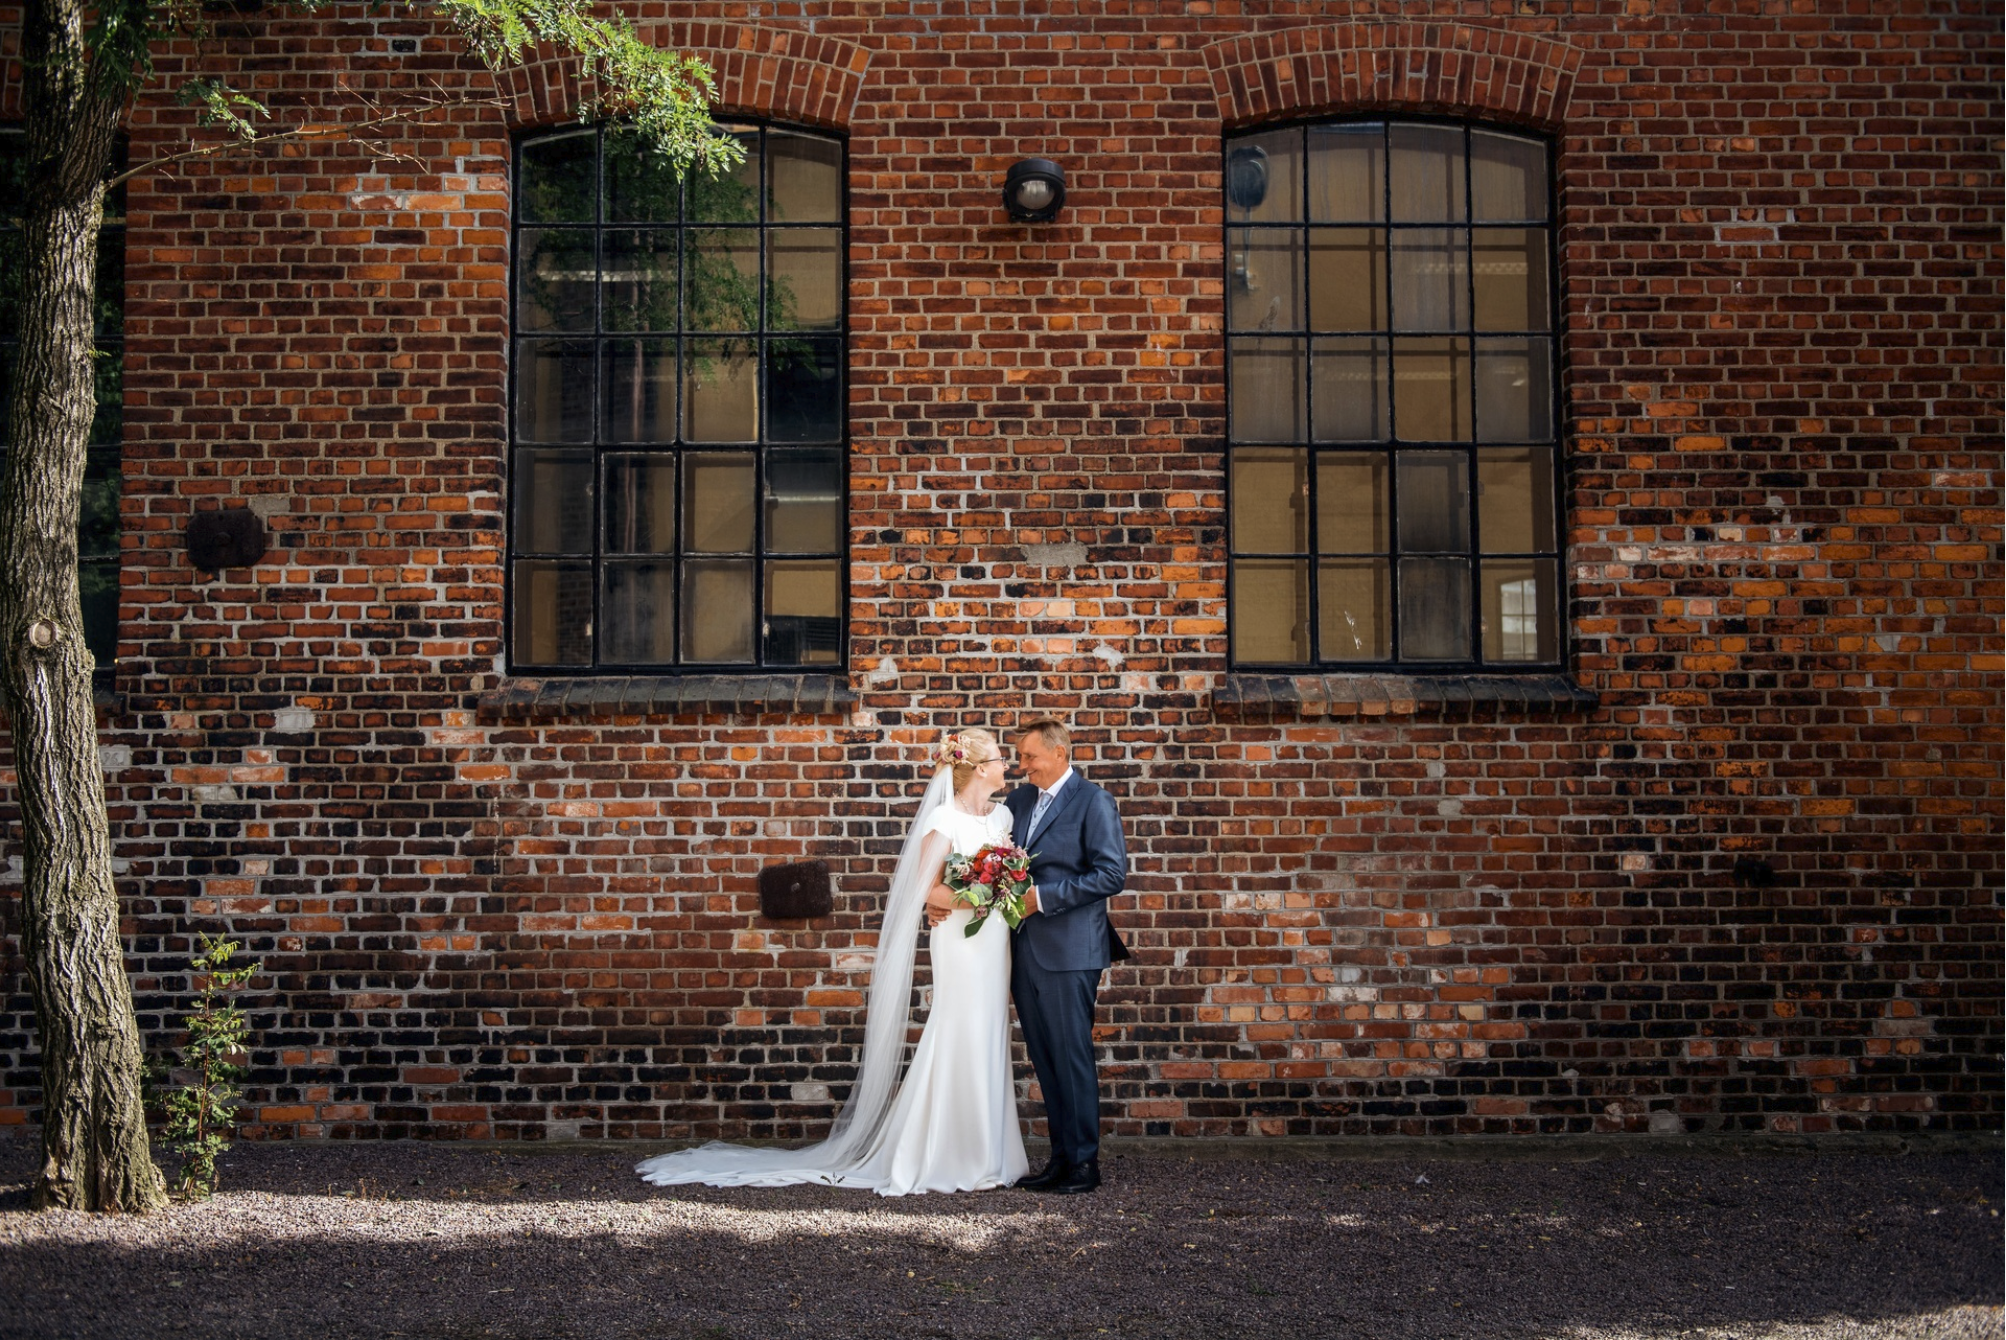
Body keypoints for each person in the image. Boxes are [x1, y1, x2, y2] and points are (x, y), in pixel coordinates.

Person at [635, 729, 1028, 1196]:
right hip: (961, 945)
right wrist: (986, 894)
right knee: (958, 1029)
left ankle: (990, 1152)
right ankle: (946, 1153)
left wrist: (1003, 889)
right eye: (1002, 759)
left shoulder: (1003, 814)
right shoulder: (943, 818)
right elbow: (926, 888)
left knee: (989, 1031)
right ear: (980, 768)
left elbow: (1010, 873)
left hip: (992, 941)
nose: (1009, 766)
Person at [1003, 717, 1129, 1195]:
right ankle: (1058, 1160)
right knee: (1045, 1056)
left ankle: (1083, 1165)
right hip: (1024, 948)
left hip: (1071, 949)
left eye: (1030, 757)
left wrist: (1044, 897)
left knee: (1071, 1056)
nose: (1023, 767)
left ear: (1059, 754)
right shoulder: (1017, 801)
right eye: (1019, 758)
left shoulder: (1094, 801)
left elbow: (1111, 874)